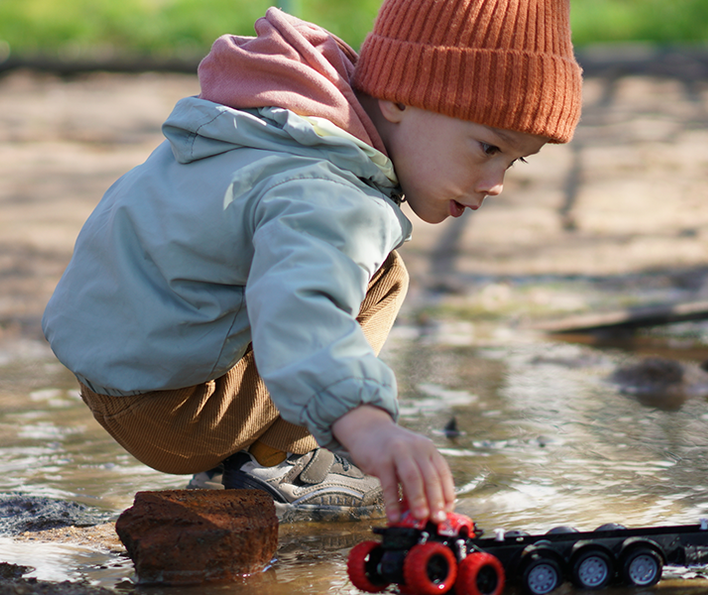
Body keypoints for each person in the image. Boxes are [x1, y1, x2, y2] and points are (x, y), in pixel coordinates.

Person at [42, 0, 582, 525]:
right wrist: (366, 424)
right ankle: (285, 466)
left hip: (122, 375)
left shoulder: (274, 121)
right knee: (380, 277)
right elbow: (301, 307)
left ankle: (237, 466)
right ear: (399, 98)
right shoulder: (331, 195)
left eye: (514, 160)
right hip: (177, 412)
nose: (497, 184)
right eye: (488, 148)